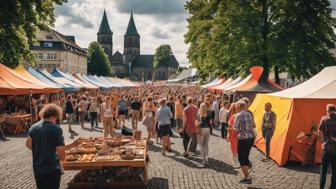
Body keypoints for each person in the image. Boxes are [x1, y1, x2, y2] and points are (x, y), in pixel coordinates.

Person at [26, 104, 65, 189]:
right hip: (52, 168)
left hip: (37, 168)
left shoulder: (34, 127)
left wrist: (41, 148)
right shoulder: (56, 128)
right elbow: (61, 154)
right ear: (55, 116)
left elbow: (28, 145)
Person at [233, 101, 256, 184]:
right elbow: (254, 125)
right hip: (251, 138)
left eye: (236, 107)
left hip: (243, 138)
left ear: (239, 107)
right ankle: (247, 168)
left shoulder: (238, 115)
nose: (236, 109)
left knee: (241, 158)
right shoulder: (249, 114)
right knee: (245, 156)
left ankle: (247, 178)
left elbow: (235, 127)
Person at [319, 104, 336, 189]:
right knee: (335, 171)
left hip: (326, 148)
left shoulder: (324, 118)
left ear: (328, 110)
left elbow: (320, 132)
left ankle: (321, 187)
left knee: (323, 171)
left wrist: (322, 141)